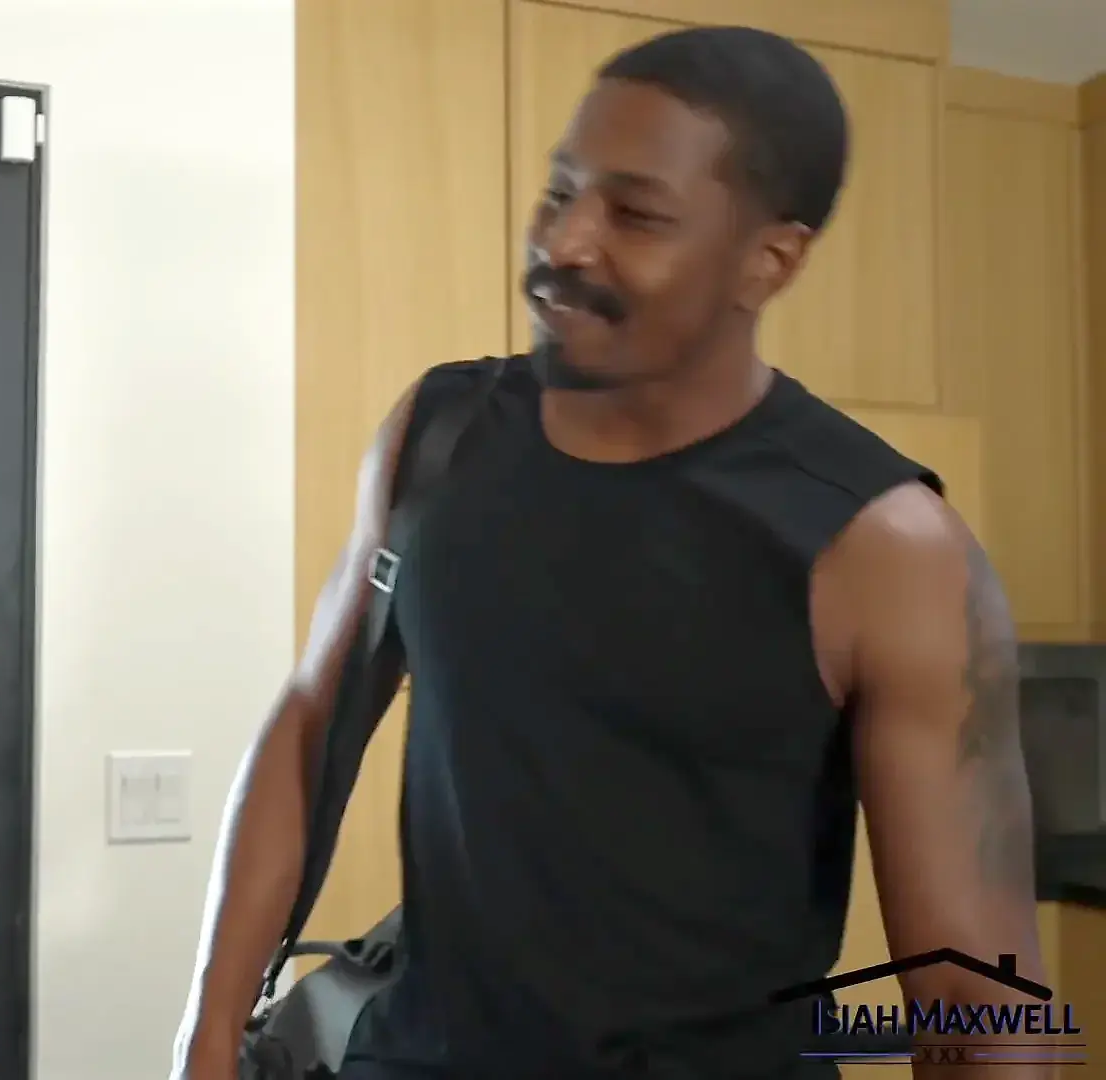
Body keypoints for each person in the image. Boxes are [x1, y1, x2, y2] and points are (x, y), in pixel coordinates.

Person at [175, 25, 1046, 1080]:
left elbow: (977, 996)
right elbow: (314, 723)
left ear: (768, 260)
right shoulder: (439, 436)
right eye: (560, 192)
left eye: (636, 214)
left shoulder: (886, 549)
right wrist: (207, 1037)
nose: (567, 242)